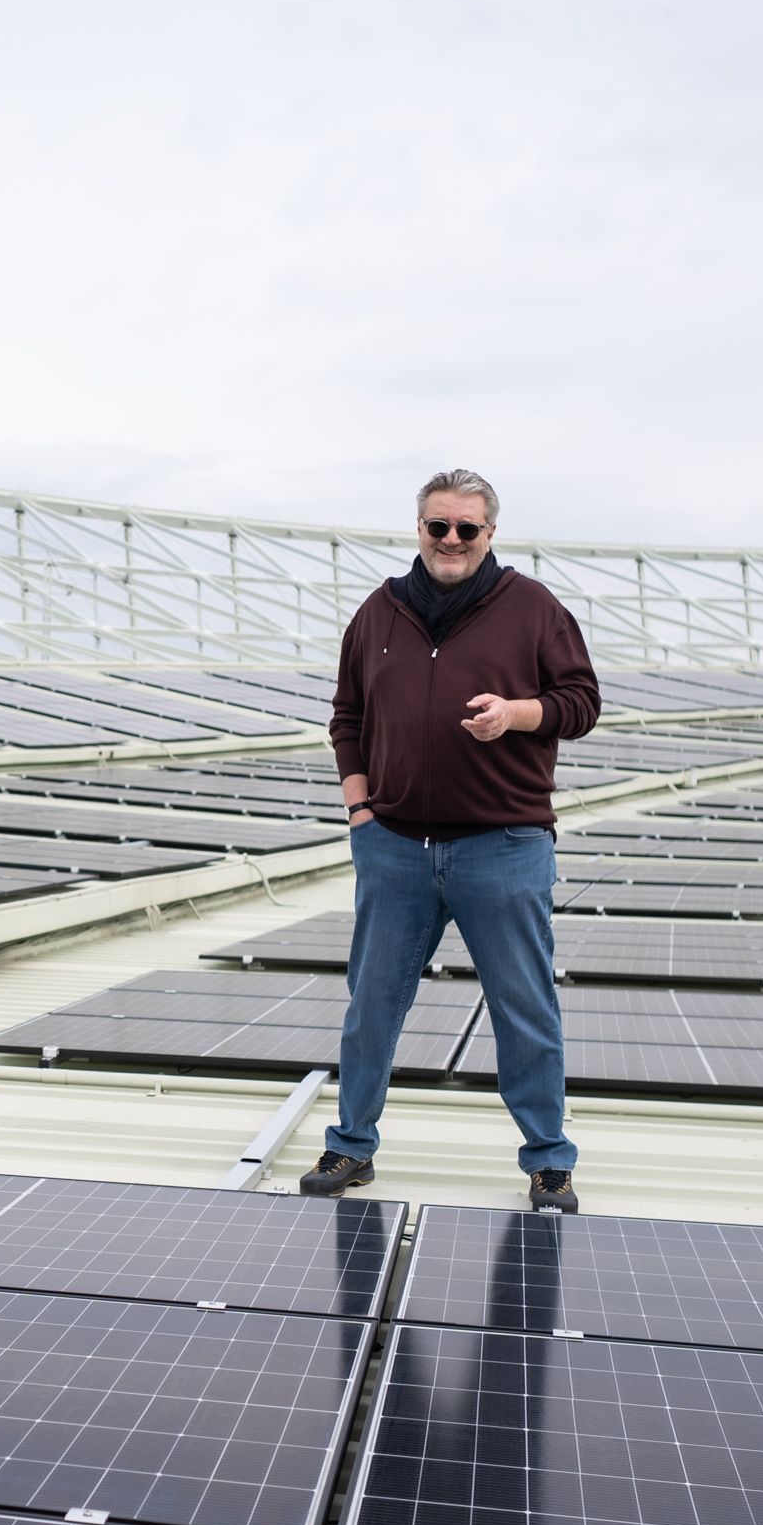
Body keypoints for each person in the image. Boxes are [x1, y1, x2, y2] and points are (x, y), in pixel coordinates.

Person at [300, 468, 602, 1211]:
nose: (453, 541)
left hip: (503, 846)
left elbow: (582, 701)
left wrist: (518, 714)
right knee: (372, 1005)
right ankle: (351, 1147)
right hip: (395, 846)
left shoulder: (531, 608)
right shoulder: (379, 613)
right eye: (440, 526)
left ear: (491, 533)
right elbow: (347, 718)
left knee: (524, 1008)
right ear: (420, 529)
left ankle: (548, 1160)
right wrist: (359, 811)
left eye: (468, 528)